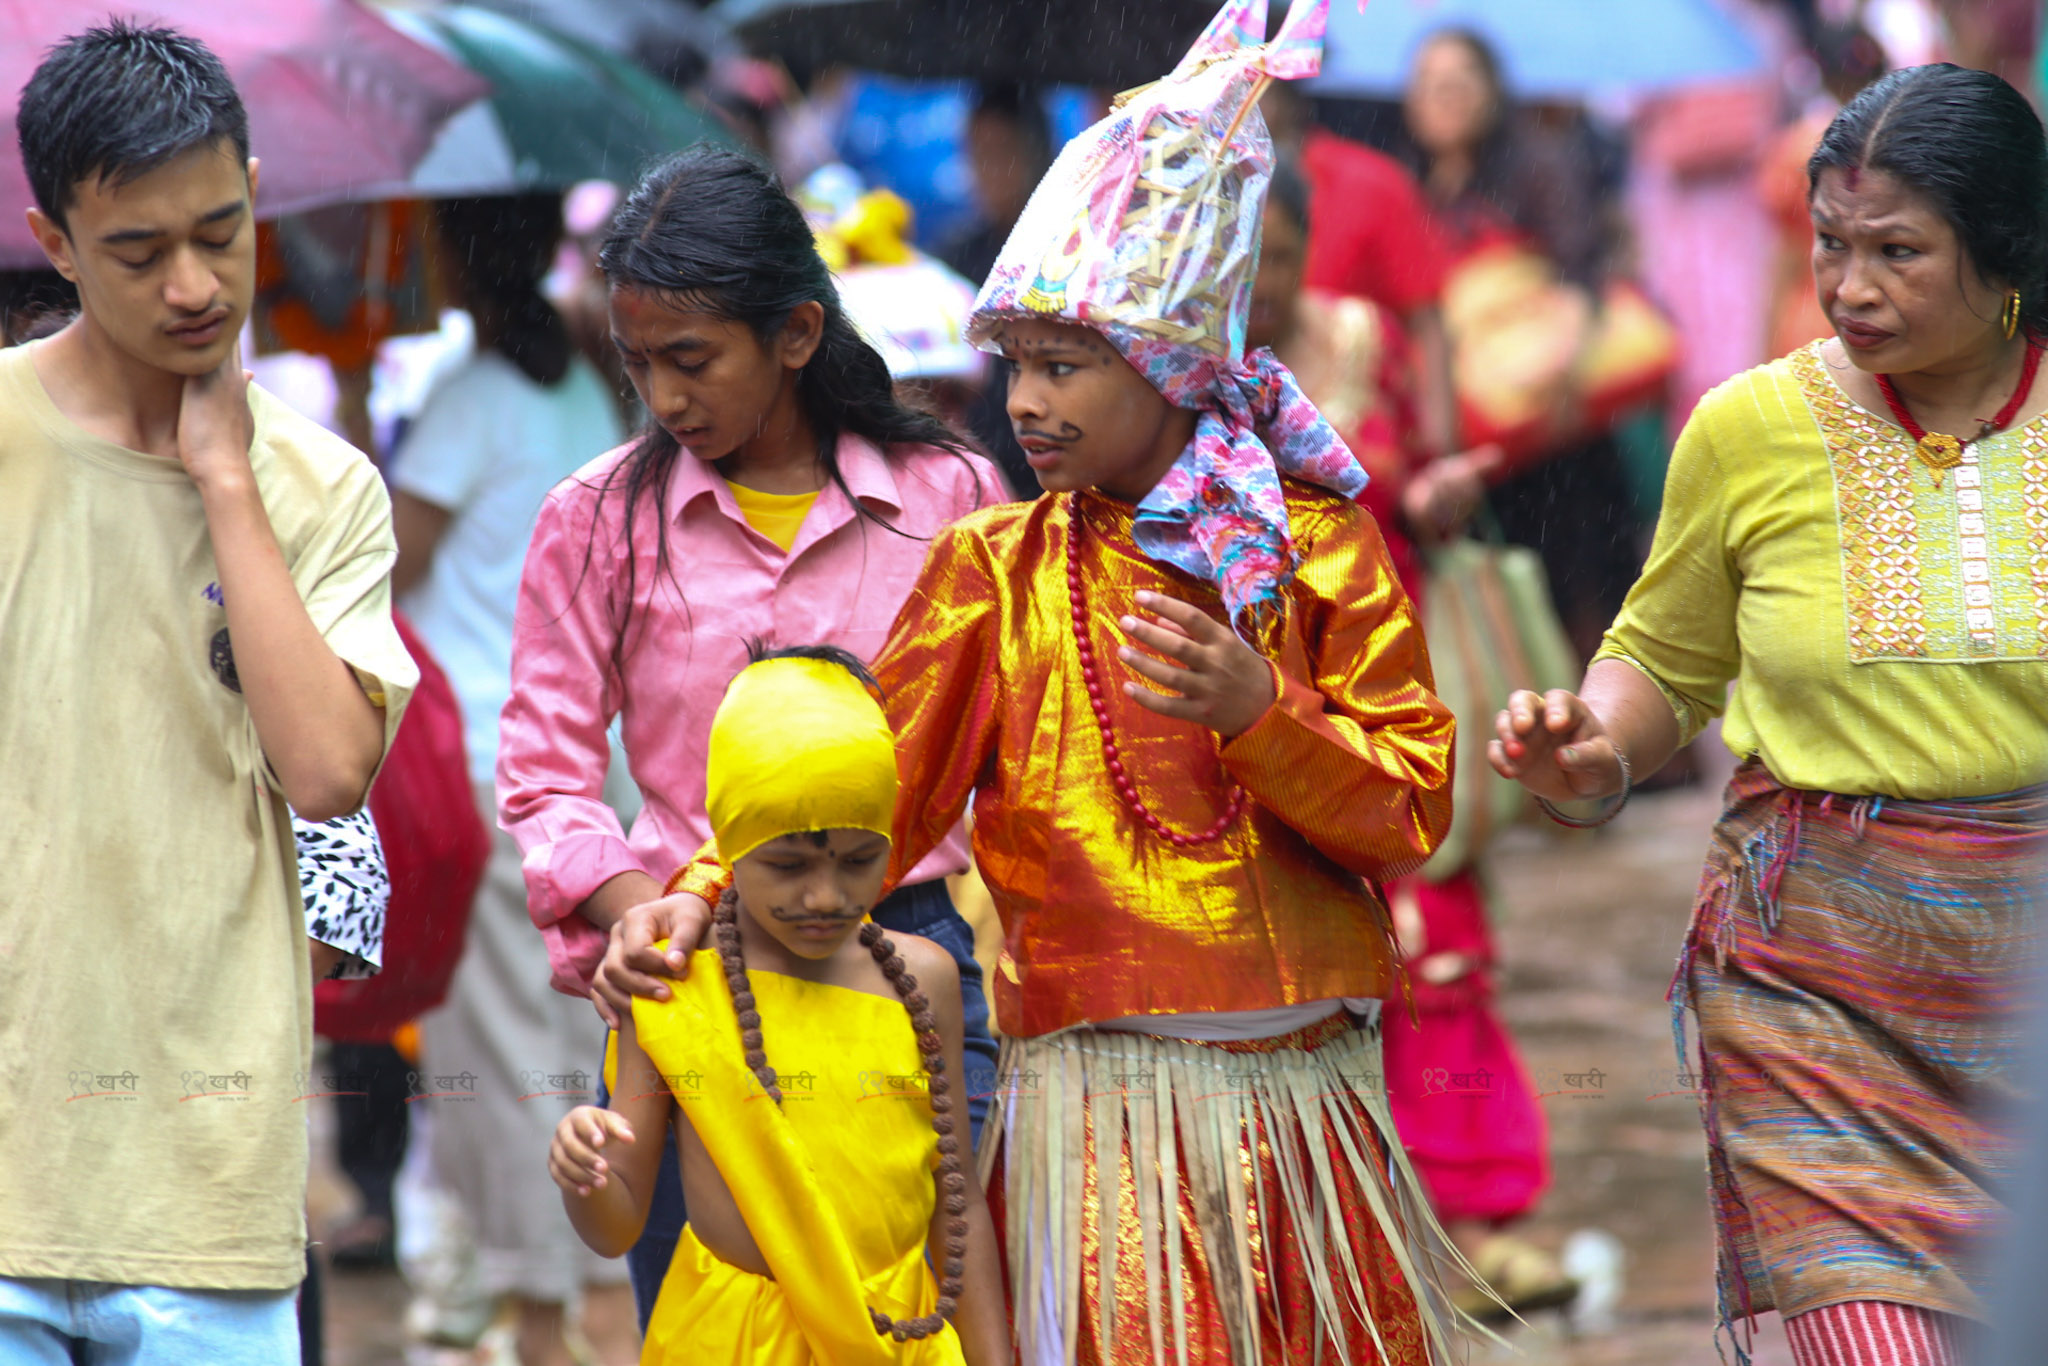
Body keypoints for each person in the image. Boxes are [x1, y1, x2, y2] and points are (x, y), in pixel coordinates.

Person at [604, 5, 1461, 1360]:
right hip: (1101, 1109)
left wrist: (1259, 715)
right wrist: (702, 893)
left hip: (1309, 1093)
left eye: (1068, 366)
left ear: (1176, 369)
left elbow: (1413, 811)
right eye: (1016, 367)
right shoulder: (993, 571)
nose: (1027, 404)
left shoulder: (1316, 544)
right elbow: (861, 778)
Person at [1490, 64, 2048, 1366]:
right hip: (1815, 1005)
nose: (1850, 285)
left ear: (2010, 247)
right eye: (1830, 244)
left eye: (1898, 250)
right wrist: (1590, 743)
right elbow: (1663, 659)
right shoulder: (1746, 428)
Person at [497, 143, 1007, 1331]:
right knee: (718, 1312)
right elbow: (544, 770)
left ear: (793, 334)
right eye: (636, 365)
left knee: (923, 1298)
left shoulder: (951, 500)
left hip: (914, 950)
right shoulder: (594, 519)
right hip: (691, 971)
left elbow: (1013, 745)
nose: (665, 399)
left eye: (690, 360)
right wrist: (643, 919)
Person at [0, 21, 416, 1363]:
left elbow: (327, 769)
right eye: (136, 251)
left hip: (207, 1199)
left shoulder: (321, 487)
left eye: (221, 233)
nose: (193, 284)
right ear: (53, 240)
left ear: (253, 191)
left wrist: (227, 484)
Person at [1247, 160, 1568, 1320]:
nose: (1268, 278)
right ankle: (1351, 1234)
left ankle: (1480, 1215)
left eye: (1283, 254)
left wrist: (1429, 491)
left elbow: (1423, 455)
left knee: (1442, 946)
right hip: (1267, 698)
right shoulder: (1186, 373)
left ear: (1307, 253)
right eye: (1252, 259)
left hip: (1399, 675)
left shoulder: (1358, 336)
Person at [550, 645, 1008, 1364]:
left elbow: (958, 1208)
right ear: (729, 845)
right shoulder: (671, 988)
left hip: (903, 1338)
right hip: (731, 1342)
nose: (824, 896)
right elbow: (615, 1229)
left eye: (859, 860)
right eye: (788, 865)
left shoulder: (925, 978)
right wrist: (587, 1171)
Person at [387, 193, 635, 1366]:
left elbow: (377, 562)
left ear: (456, 250)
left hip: (488, 776)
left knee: (497, 1059)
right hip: (583, 771)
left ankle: (549, 1321)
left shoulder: (472, 395)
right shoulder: (579, 382)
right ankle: (579, 1307)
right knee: (566, 1047)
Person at [1399, 28, 1646, 659]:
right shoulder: (1418, 183)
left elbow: (1578, 269)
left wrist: (1556, 360)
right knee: (1519, 591)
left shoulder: (1538, 160)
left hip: (1553, 419)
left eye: (1458, 83)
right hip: (1486, 433)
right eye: (1429, 86)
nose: (1443, 98)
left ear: (1491, 90)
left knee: (1580, 581)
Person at [937, 82, 1058, 498]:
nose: (986, 171)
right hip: (978, 463)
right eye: (977, 154)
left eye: (1001, 153)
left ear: (1037, 153)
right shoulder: (954, 254)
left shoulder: (1071, 254)